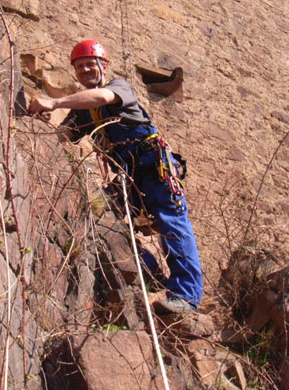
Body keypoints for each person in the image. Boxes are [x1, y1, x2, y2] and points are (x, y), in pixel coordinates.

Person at [28, 39, 203, 315]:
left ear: (104, 66)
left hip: (152, 164)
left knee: (171, 221)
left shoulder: (118, 87)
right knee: (103, 218)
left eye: (90, 64)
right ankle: (150, 272)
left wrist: (54, 102)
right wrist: (32, 125)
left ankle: (187, 296)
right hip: (127, 176)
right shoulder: (81, 113)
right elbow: (61, 135)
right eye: (79, 66)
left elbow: (101, 98)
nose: (85, 70)